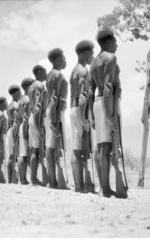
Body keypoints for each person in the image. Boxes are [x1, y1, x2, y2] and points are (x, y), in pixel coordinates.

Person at [89, 28, 120, 198]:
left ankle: (103, 187)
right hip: (107, 102)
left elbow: (90, 90)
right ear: (108, 42)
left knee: (100, 146)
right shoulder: (111, 58)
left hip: (96, 102)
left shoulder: (93, 63)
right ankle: (106, 189)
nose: (117, 45)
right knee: (106, 147)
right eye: (115, 42)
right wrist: (110, 115)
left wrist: (92, 115)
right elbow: (108, 86)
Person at [69, 40, 94, 192]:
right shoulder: (83, 71)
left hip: (74, 109)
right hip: (79, 110)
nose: (92, 56)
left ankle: (80, 184)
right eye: (91, 52)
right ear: (85, 53)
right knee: (78, 149)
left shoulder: (74, 70)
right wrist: (83, 118)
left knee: (77, 147)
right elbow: (82, 95)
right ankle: (79, 186)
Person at [45, 48, 69, 189]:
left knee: (52, 146)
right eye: (63, 58)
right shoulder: (57, 74)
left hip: (54, 111)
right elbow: (54, 98)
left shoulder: (51, 74)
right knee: (54, 146)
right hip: (55, 112)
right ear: (56, 60)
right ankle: (54, 181)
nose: (65, 60)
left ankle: (53, 180)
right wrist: (54, 122)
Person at [28, 65, 48, 186]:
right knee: (36, 150)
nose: (46, 74)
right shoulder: (39, 86)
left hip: (33, 117)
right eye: (45, 71)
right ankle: (34, 179)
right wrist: (39, 126)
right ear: (40, 72)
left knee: (34, 149)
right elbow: (38, 107)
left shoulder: (31, 87)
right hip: (37, 118)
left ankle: (34, 178)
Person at [15, 77, 34, 185]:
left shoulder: (21, 100)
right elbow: (26, 117)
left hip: (22, 126)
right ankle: (28, 178)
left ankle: (22, 179)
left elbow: (19, 117)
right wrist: (26, 132)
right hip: (27, 126)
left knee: (23, 154)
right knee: (27, 154)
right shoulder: (28, 99)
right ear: (28, 87)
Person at [6, 84, 21, 184]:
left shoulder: (10, 105)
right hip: (13, 130)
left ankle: (10, 178)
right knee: (13, 155)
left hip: (10, 130)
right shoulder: (15, 105)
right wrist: (16, 135)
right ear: (16, 93)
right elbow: (16, 121)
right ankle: (11, 178)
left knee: (11, 155)